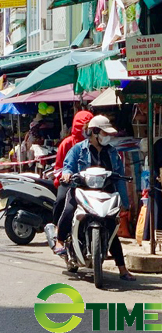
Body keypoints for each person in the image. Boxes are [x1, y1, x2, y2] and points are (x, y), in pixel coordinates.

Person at [56, 115, 135, 281]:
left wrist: (125, 203)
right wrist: (67, 174)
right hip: (81, 190)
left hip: (105, 194)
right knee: (69, 210)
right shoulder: (78, 149)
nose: (109, 137)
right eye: (105, 133)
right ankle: (60, 241)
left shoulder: (113, 153)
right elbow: (67, 166)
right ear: (95, 132)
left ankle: (122, 270)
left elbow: (119, 178)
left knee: (110, 224)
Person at [52, 111, 94, 225]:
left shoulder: (95, 144)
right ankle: (57, 227)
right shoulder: (67, 144)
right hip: (70, 182)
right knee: (61, 200)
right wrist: (66, 175)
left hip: (91, 182)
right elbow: (60, 166)